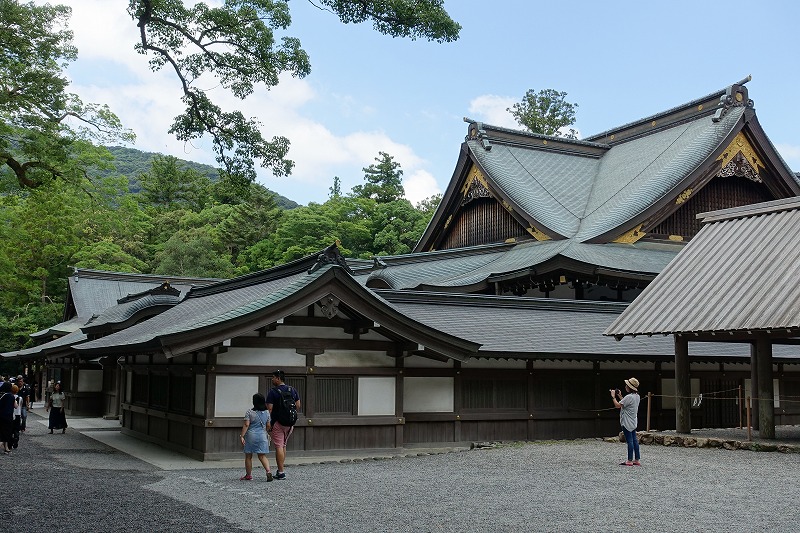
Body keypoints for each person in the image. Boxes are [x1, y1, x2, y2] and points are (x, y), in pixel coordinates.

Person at [266, 370, 300, 480]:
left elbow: (269, 409)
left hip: (277, 422)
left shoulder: (273, 392)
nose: (272, 379)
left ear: (278, 378)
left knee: (279, 446)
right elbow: (298, 405)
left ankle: (281, 472)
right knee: (283, 445)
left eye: (273, 377)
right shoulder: (292, 390)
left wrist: (268, 422)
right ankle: (281, 469)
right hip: (290, 423)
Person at [239, 393, 273, 482]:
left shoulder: (250, 412)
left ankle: (249, 475)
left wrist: (242, 436)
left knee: (248, 456)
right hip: (262, 435)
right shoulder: (267, 412)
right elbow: (268, 425)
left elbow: (246, 425)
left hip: (251, 435)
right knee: (262, 456)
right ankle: (268, 471)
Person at [611, 377, 641, 466]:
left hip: (626, 422)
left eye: (627, 385)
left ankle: (629, 460)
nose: (625, 386)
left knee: (630, 441)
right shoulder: (637, 396)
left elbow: (618, 405)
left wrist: (613, 397)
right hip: (633, 421)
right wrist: (620, 395)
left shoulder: (629, 397)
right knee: (634, 440)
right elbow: (625, 403)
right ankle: (637, 459)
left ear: (630, 387)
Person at [0, 382, 15, 454]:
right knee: (7, 432)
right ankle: (4, 446)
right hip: (8, 416)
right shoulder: (11, 396)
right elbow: (16, 406)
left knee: (3, 431)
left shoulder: (2, 396)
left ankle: (6, 447)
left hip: (1, 416)